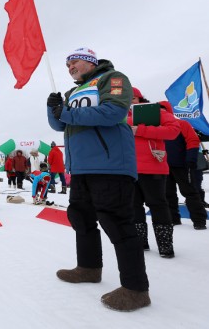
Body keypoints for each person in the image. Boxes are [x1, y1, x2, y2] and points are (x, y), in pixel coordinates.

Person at [47, 47, 150, 311]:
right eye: (67, 64)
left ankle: (136, 289)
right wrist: (54, 109)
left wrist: (66, 113)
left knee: (116, 222)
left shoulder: (113, 79)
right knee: (80, 218)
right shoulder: (74, 92)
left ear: (91, 61)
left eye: (74, 61)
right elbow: (61, 125)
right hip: (81, 168)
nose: (70, 67)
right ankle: (89, 267)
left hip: (110, 164)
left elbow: (113, 112)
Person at [127, 88, 180, 257]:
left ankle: (165, 245)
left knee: (157, 205)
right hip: (127, 170)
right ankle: (140, 243)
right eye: (126, 98)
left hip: (152, 168)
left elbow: (173, 131)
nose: (130, 102)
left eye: (133, 98)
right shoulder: (118, 116)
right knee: (133, 207)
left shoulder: (155, 111)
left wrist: (139, 130)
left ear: (140, 98)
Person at [162, 101, 208, 230]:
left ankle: (199, 221)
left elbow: (193, 140)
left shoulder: (182, 124)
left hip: (182, 165)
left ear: (169, 111)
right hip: (163, 166)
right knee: (167, 194)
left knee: (190, 192)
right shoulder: (155, 127)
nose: (161, 112)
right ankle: (173, 219)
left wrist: (191, 159)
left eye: (163, 109)